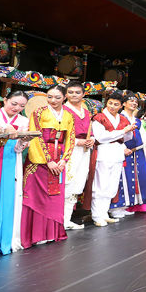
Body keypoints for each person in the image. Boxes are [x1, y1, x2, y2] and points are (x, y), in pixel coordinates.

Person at [21, 85, 75, 247]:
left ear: (64, 97)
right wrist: (48, 160)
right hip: (40, 161)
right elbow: (35, 137)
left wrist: (64, 160)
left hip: (59, 159)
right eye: (49, 97)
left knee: (55, 197)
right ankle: (36, 234)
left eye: (57, 97)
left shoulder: (68, 115)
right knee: (37, 196)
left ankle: (52, 232)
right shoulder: (38, 113)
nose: (53, 100)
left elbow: (70, 139)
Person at [90, 92, 136, 227]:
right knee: (101, 185)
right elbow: (101, 137)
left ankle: (104, 213)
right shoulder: (99, 118)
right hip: (104, 152)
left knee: (111, 185)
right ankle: (97, 215)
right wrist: (123, 131)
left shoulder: (122, 119)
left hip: (117, 153)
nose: (112, 106)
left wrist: (128, 132)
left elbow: (127, 138)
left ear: (121, 106)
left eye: (116, 104)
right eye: (110, 103)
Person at [0, 91, 30, 255]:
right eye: (14, 103)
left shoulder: (24, 121)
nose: (17, 108)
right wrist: (3, 128)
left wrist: (24, 142)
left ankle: (3, 240)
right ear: (5, 100)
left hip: (10, 160)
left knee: (7, 199)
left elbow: (18, 149)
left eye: (22, 106)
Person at [111, 95, 146, 218]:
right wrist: (123, 148)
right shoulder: (119, 117)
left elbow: (143, 135)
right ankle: (115, 207)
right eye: (131, 101)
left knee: (133, 178)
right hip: (124, 151)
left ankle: (125, 205)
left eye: (136, 102)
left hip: (136, 152)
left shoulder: (137, 120)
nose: (134, 103)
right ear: (124, 104)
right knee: (121, 178)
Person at [62, 82, 93, 230]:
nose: (74, 95)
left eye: (77, 92)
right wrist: (77, 141)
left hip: (84, 151)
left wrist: (91, 139)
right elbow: (60, 133)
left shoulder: (86, 112)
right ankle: (59, 220)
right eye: (71, 92)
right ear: (66, 94)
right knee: (67, 182)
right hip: (69, 149)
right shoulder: (63, 109)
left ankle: (67, 219)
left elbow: (90, 130)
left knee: (78, 183)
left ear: (83, 95)